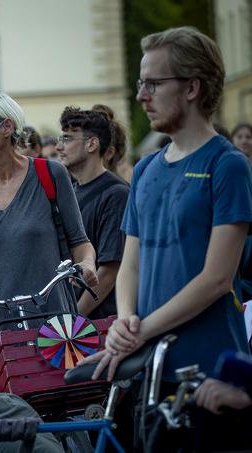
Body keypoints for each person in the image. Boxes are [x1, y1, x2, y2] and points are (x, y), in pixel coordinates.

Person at [82, 25, 252, 390]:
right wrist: (125, 321)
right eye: (140, 83)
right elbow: (131, 265)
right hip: (149, 365)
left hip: (211, 368)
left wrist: (140, 330)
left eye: (153, 84)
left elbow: (218, 278)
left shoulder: (228, 164)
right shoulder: (145, 169)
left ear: (192, 87)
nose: (142, 95)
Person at [0, 92, 97, 359]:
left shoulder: (50, 174)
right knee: (3, 397)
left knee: (62, 395)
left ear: (6, 127)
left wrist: (87, 265)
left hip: (55, 322)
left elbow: (80, 242)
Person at [56, 106, 129, 318]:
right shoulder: (71, 190)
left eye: (68, 139)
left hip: (99, 326)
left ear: (92, 143)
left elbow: (108, 273)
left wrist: (73, 319)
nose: (60, 146)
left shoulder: (116, 194)